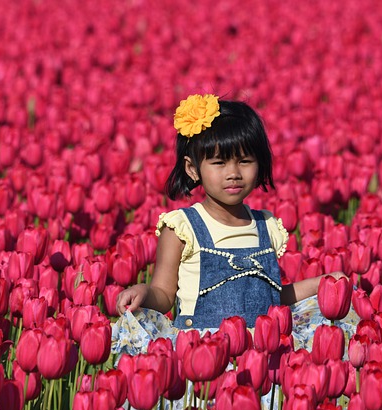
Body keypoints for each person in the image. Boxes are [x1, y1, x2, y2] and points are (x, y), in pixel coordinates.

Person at [113, 94, 354, 350]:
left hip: (261, 352)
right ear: (192, 169)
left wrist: (322, 284)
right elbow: (163, 295)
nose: (233, 174)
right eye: (219, 162)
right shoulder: (183, 227)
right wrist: (143, 292)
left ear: (260, 164)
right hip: (203, 350)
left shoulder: (265, 226)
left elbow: (272, 296)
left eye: (245, 161)